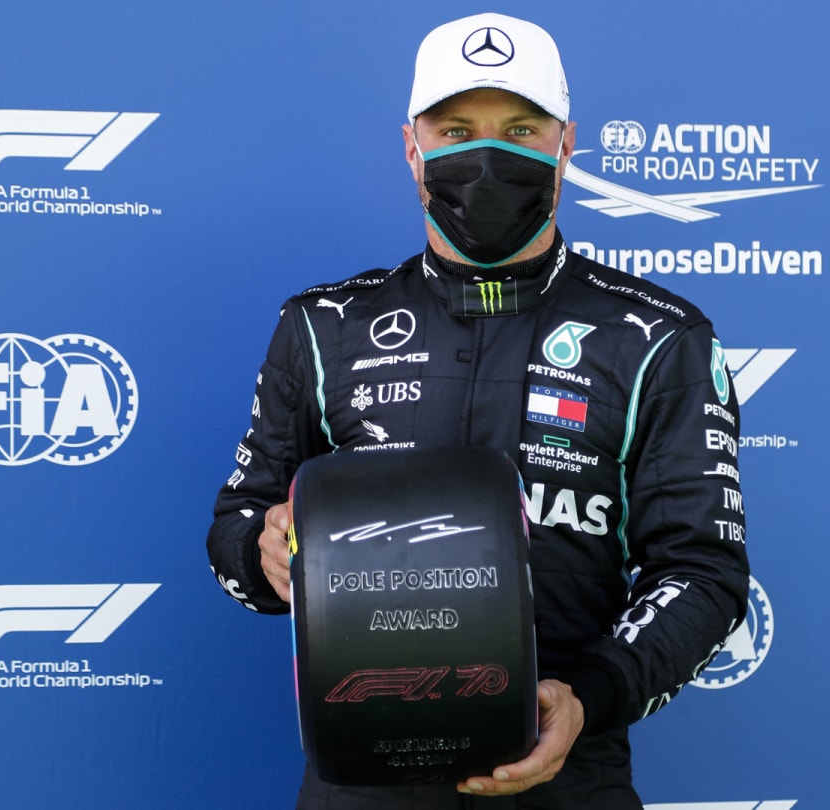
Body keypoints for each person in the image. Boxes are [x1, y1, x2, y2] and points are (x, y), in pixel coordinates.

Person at [207, 12, 750, 809]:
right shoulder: (323, 327)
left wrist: (588, 698)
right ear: (411, 145)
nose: (488, 156)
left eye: (521, 129)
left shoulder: (657, 336)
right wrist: (264, 551)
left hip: (570, 774)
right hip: (359, 782)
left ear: (566, 144)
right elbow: (233, 533)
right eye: (456, 127)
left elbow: (704, 573)